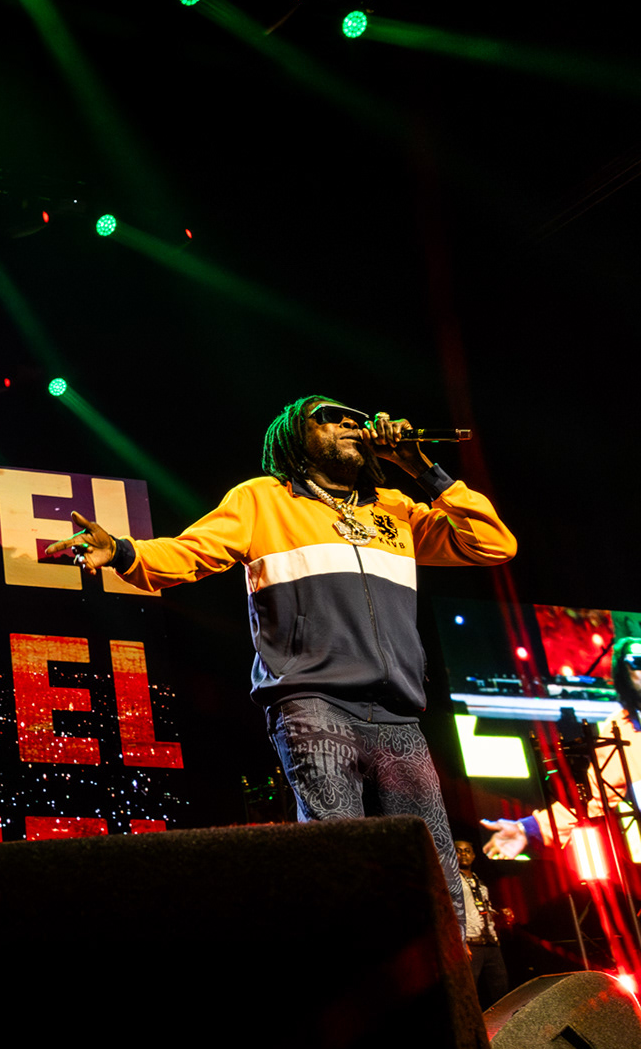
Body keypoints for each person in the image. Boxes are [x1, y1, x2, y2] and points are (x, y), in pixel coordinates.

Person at [60, 396, 516, 914]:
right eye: (329, 418)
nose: (349, 423)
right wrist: (122, 551)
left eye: (355, 418)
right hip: (313, 699)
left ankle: (448, 966)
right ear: (295, 436)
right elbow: (189, 553)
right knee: (338, 852)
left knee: (433, 862)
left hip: (398, 710)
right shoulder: (262, 500)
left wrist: (421, 468)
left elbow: (493, 544)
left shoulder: (395, 510)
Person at [485, 636, 641, 859]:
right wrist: (527, 829)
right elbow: (595, 798)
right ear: (624, 674)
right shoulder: (621, 729)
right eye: (638, 661)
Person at [455, 839, 512, 1007]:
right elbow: (448, 912)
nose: (463, 854)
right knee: (469, 992)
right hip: (470, 944)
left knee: (501, 992)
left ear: (473, 856)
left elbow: (482, 908)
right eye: (458, 850)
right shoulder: (450, 881)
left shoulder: (479, 882)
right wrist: (460, 941)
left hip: (490, 943)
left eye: (467, 851)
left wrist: (500, 914)